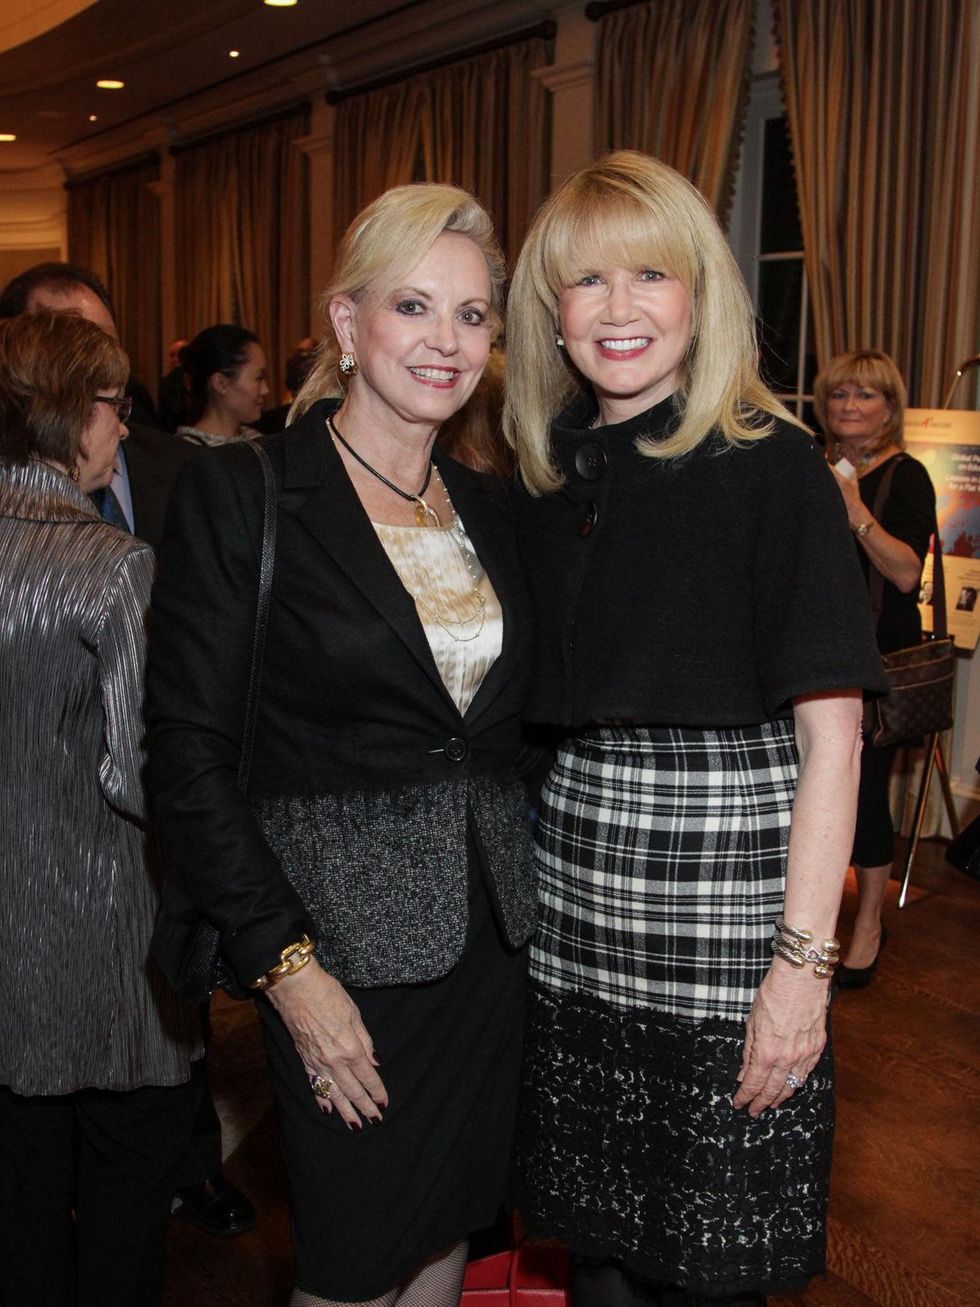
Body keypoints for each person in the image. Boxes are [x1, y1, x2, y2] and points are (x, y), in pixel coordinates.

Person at [503, 151, 888, 1306]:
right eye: (585, 283)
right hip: (575, 891)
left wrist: (800, 969)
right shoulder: (543, 469)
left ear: (700, 293)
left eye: (649, 274)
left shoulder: (770, 465)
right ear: (550, 314)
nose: (617, 309)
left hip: (726, 903)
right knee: (598, 1246)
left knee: (708, 1258)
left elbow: (835, 740)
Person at [146, 182, 537, 1307]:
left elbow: (500, 737)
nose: (446, 341)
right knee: (355, 1255)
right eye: (413, 307)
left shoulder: (486, 504)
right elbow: (188, 755)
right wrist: (289, 972)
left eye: (472, 316)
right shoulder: (249, 492)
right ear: (348, 321)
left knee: (444, 1230)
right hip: (338, 958)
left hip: (489, 950)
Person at [0, 260, 255, 1237]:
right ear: (71, 413)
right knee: (117, 1219)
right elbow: (145, 772)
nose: (124, 423)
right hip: (106, 955)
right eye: (112, 404)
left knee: (19, 1210)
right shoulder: (112, 567)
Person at [814, 349, 936, 988]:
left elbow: (907, 572)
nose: (850, 407)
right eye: (839, 396)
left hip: (876, 660)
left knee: (863, 798)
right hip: (812, 653)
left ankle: (867, 926)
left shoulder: (907, 475)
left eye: (865, 396)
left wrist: (854, 507)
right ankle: (811, 917)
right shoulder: (808, 463)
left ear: (889, 408)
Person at [176, 323, 270, 446]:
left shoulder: (259, 443)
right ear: (220, 383)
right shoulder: (185, 452)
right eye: (258, 378)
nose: (265, 390)